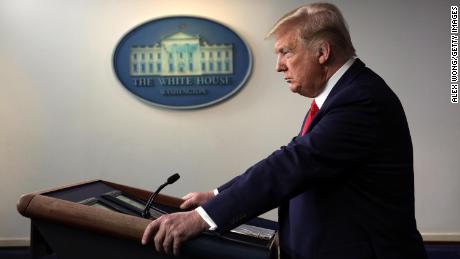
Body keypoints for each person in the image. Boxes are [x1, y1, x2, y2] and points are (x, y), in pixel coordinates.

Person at [142, 3, 428, 259]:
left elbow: (293, 165)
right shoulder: (342, 95)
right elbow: (289, 156)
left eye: (286, 52)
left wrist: (202, 218)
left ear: (322, 52)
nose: (279, 66)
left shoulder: (361, 101)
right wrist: (217, 195)